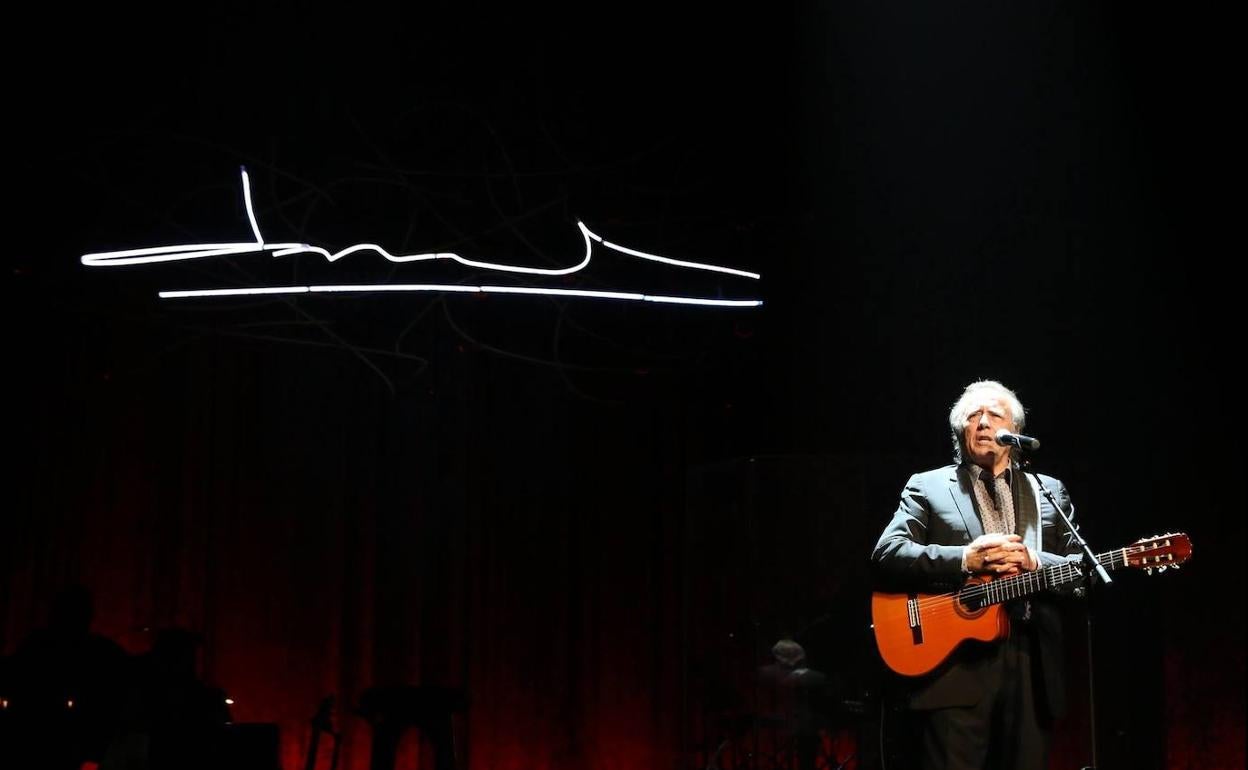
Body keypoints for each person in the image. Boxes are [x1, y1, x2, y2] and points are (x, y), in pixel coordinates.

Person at [871, 380, 1081, 770]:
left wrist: (1035, 562)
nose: (983, 423)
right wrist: (966, 559)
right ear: (960, 430)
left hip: (1032, 665)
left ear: (1014, 431)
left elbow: (1080, 574)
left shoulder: (1047, 491)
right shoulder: (928, 487)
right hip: (957, 668)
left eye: (994, 414)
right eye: (973, 416)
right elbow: (887, 553)